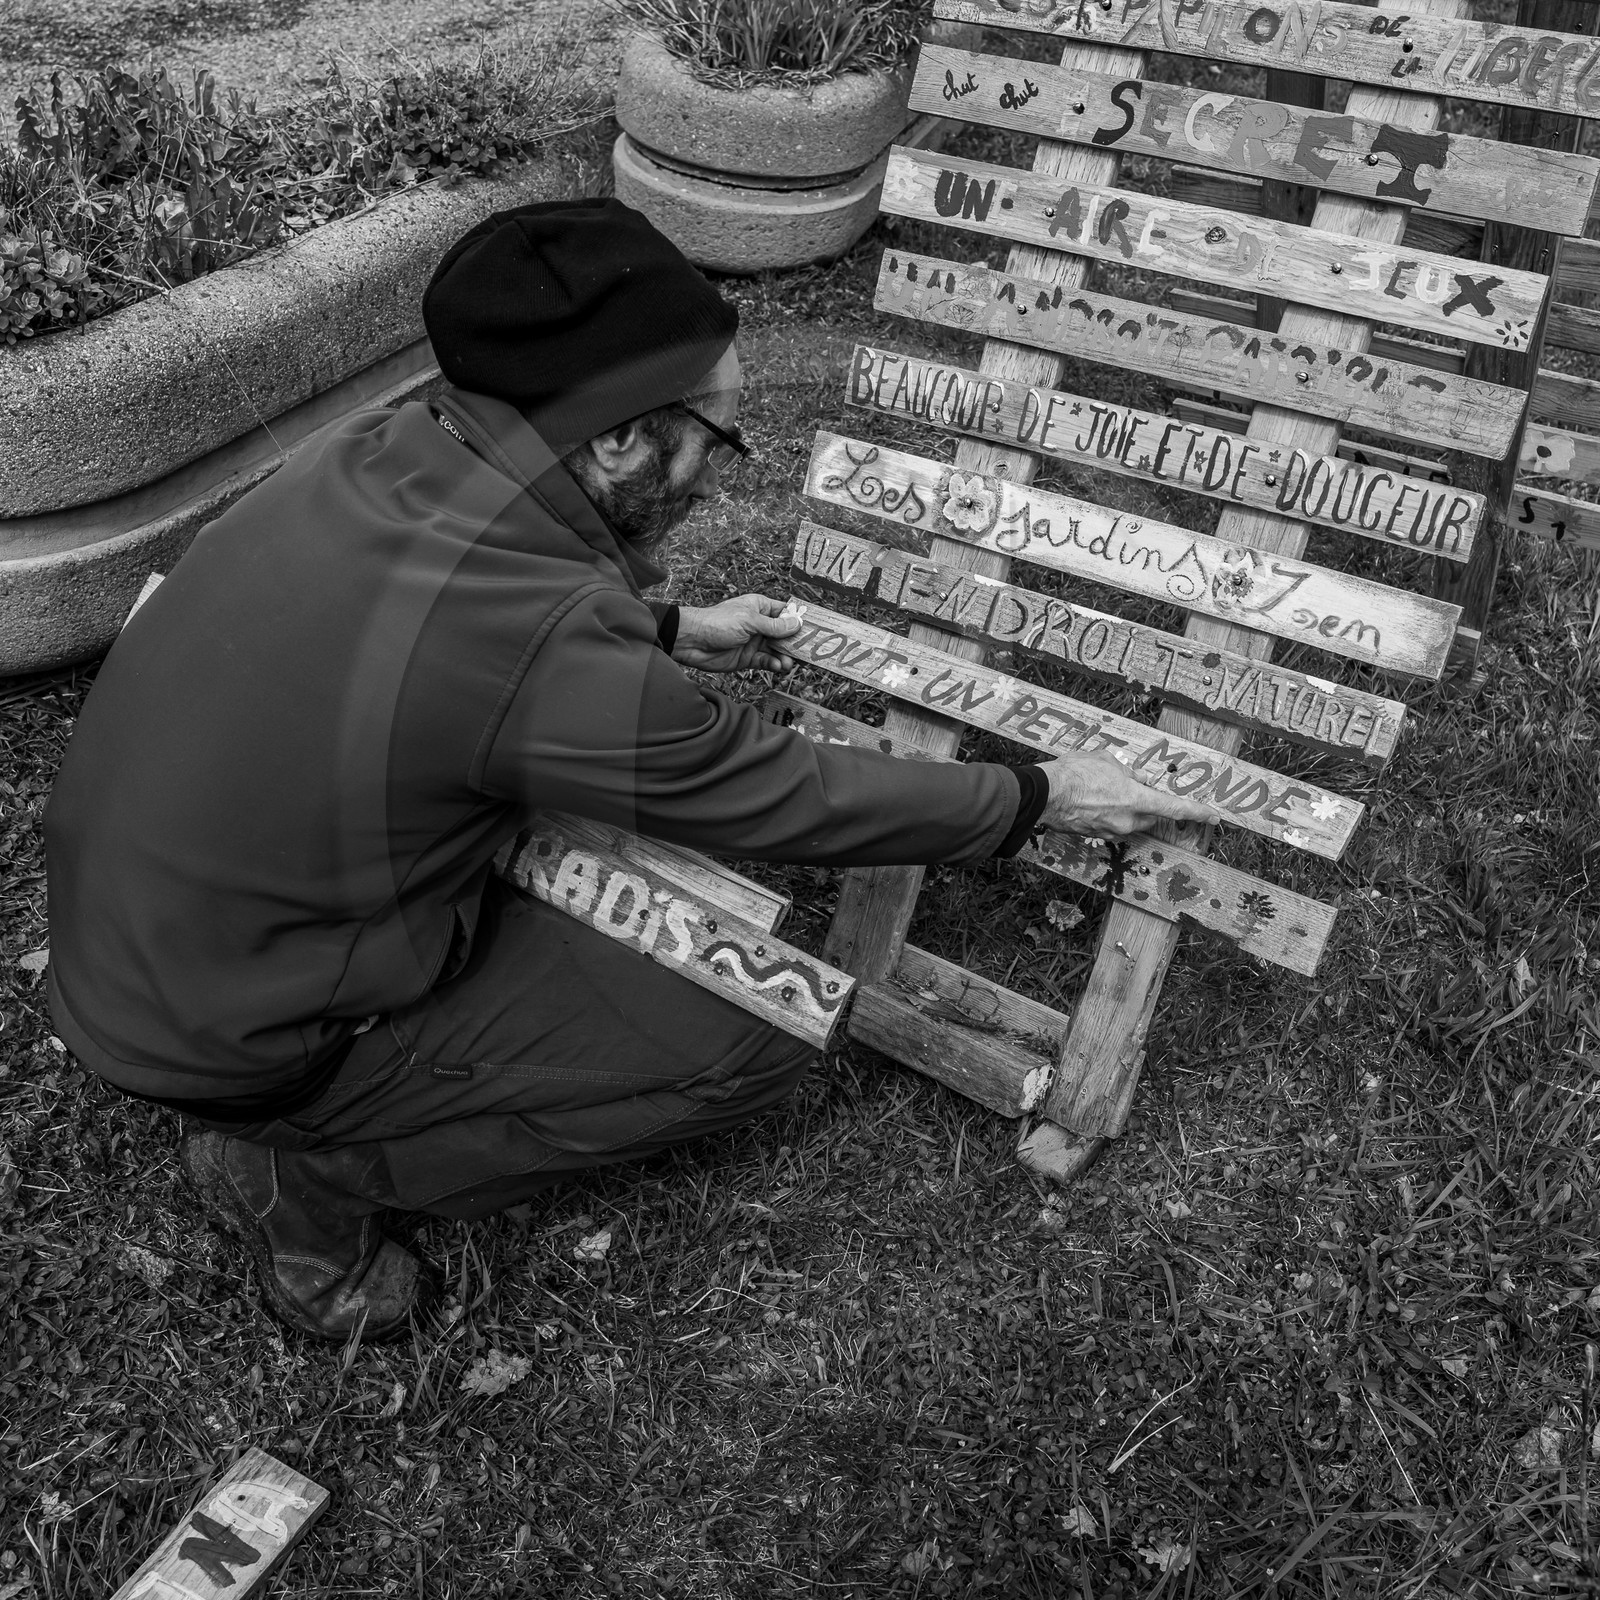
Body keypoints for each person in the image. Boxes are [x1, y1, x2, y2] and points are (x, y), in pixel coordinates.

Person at [44, 199, 1213, 1341]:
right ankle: (305, 1175)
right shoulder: (532, 645)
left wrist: (662, 629)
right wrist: (1040, 796)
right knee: (750, 1038)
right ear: (616, 436)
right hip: (245, 1034)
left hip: (143, 945)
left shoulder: (385, 445)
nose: (715, 472)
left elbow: (458, 640)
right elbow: (785, 793)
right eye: (716, 432)